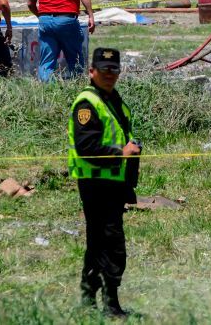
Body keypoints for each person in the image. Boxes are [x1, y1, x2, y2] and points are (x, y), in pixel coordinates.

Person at [68, 47, 140, 317]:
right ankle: (110, 305)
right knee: (111, 244)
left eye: (114, 70)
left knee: (100, 242)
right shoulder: (87, 103)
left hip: (113, 183)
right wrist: (121, 153)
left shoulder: (112, 99)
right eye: (104, 69)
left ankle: (90, 300)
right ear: (91, 71)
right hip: (96, 184)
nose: (109, 74)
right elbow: (87, 146)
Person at [27, 0, 95, 81]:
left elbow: (30, 3)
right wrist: (91, 15)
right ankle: (76, 88)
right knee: (74, 59)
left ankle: (47, 93)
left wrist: (41, 16)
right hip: (67, 20)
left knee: (46, 62)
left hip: (45, 21)